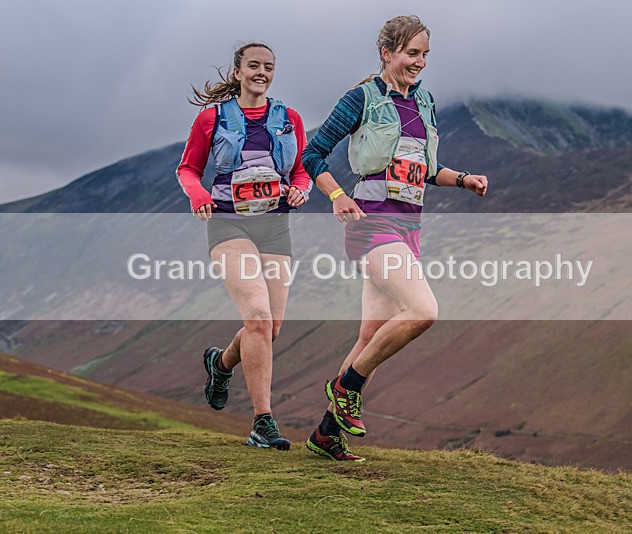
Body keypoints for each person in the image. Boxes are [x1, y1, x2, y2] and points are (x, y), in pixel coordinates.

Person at [301, 15, 488, 462]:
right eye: (411, 53)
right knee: (423, 311)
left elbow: (423, 169)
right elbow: (312, 154)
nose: (419, 62)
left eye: (425, 55)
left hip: (408, 228)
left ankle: (327, 434)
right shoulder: (361, 99)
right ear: (387, 53)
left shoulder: (425, 102)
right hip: (371, 223)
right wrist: (337, 195)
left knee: (370, 337)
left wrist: (463, 179)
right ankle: (347, 388)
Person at [176, 42, 311, 450]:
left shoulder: (289, 118)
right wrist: (198, 196)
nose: (261, 73)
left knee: (269, 328)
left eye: (268, 67)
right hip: (228, 224)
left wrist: (301, 190)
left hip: (274, 228)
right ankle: (262, 422)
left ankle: (220, 364)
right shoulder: (211, 118)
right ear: (238, 72)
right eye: (253, 65)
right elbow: (187, 169)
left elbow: (302, 170)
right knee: (256, 316)